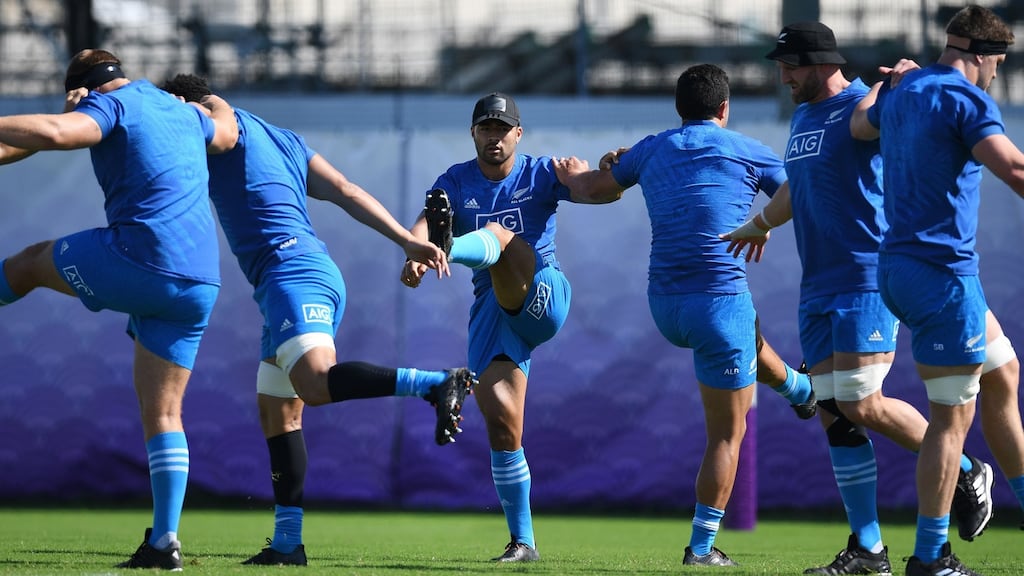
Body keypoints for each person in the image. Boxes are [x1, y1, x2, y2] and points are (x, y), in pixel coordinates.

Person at [160, 74, 477, 566]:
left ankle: (435, 383)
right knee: (278, 412)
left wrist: (181, 114)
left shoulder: (213, 117)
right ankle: (288, 544)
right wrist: (405, 239)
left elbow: (214, 124)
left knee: (314, 383)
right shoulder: (282, 138)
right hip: (296, 277)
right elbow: (346, 190)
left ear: (184, 103)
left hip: (292, 274)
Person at [722, 21, 1001, 574]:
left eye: (790, 66)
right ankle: (868, 549)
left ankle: (967, 469)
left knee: (859, 400)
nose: (784, 77)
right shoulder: (803, 117)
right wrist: (760, 223)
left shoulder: (866, 108)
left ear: (822, 62)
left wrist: (897, 84)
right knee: (835, 412)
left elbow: (894, 115)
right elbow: (798, 192)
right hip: (817, 284)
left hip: (866, 277)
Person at [555, 63, 802, 567]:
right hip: (717, 303)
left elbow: (598, 189)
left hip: (664, 306)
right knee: (727, 435)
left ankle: (801, 391)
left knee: (746, 331)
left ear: (678, 108)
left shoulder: (652, 147)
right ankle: (702, 548)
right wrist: (762, 223)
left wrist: (574, 175)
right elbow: (801, 194)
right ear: (725, 109)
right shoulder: (746, 148)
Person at [0, 49, 238, 569]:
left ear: (81, 90)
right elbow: (226, 132)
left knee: (29, 263)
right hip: (199, 283)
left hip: (142, 262)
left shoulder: (112, 107)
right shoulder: (179, 110)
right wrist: (215, 101)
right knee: (165, 413)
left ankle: (164, 541)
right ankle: (164, 543)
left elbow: (59, 134)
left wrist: (69, 114)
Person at [846, 5, 1024, 575]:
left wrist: (886, 84)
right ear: (981, 55)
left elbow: (859, 126)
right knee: (951, 421)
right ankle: (931, 558)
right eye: (998, 62)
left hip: (896, 270)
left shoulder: (906, 88)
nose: (996, 73)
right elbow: (1014, 171)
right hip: (944, 276)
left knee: (1003, 375)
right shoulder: (967, 98)